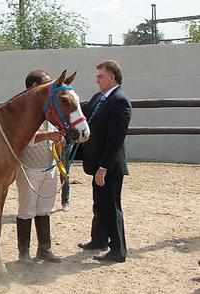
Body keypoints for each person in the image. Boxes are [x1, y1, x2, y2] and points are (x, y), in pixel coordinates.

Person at [78, 60, 131, 263]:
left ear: (112, 77)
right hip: (96, 162)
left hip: (108, 165)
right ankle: (99, 240)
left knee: (111, 206)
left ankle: (118, 250)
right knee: (99, 204)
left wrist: (104, 167)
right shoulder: (99, 98)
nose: (97, 80)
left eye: (100, 76)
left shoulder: (119, 101)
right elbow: (83, 114)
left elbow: (115, 139)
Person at [15, 69, 63, 263]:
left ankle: (44, 248)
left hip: (48, 164)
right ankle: (24, 252)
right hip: (29, 166)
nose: (51, 85)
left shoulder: (46, 107)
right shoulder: (21, 109)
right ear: (35, 86)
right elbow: (21, 138)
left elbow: (51, 130)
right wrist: (48, 136)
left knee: (45, 208)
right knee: (27, 209)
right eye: (47, 82)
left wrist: (57, 140)